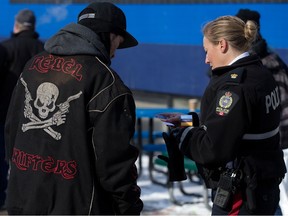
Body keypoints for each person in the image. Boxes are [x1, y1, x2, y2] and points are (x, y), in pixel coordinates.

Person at [4, 2, 143, 215]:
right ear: (109, 36)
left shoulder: (33, 66)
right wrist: (128, 207)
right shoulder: (104, 81)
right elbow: (114, 160)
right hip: (79, 206)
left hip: (24, 200)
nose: (115, 53)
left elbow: (11, 130)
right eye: (118, 42)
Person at [160, 15, 286, 215]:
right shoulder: (260, 74)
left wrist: (182, 134)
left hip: (240, 194)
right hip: (261, 187)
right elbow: (236, 124)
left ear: (222, 45)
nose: (206, 59)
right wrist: (186, 121)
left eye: (207, 51)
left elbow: (213, 148)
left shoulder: (235, 87)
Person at [235, 9, 288, 216]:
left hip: (274, 145)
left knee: (275, 200)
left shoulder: (254, 69)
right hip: (274, 146)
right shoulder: (274, 60)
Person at [0, 9, 44, 210]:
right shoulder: (44, 51)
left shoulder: (5, 48)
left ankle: (3, 200)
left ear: (16, 25)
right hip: (36, 117)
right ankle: (30, 200)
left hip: (4, 114)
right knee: (32, 160)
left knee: (3, 160)